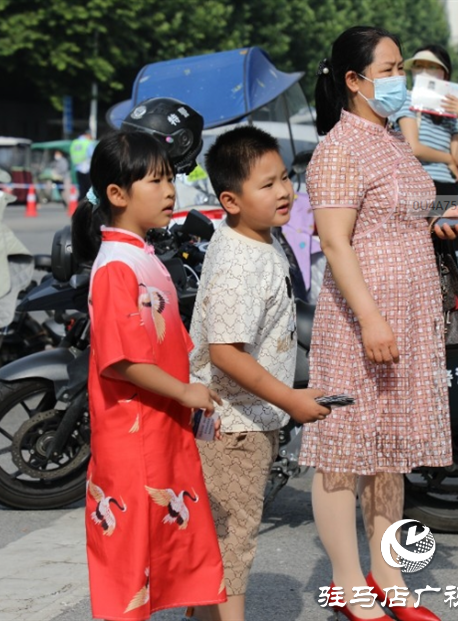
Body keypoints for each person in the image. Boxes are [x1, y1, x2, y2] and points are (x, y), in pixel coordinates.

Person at [300, 26, 458, 621]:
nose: (403, 80)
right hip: (359, 321)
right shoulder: (339, 147)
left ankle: (388, 578)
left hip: (410, 319)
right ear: (354, 80)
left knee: (390, 452)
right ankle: (349, 587)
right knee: (343, 451)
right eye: (392, 69)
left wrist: (437, 222)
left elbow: (393, 219)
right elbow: (337, 243)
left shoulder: (394, 139)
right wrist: (371, 318)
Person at [73, 131, 227, 621]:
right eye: (155, 181)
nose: (169, 191)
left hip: (162, 431)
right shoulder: (117, 266)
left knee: (178, 546)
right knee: (130, 564)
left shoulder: (139, 254)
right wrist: (185, 390)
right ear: (117, 194)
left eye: (171, 179)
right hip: (136, 438)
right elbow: (121, 360)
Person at [187, 125, 330, 621]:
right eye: (267, 185)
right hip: (234, 427)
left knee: (222, 535)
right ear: (230, 199)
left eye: (285, 177)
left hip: (242, 420)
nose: (285, 190)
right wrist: (290, 400)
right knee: (234, 539)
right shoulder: (241, 261)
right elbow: (226, 353)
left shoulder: (253, 241)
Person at [393, 45, 458, 203]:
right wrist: (448, 159)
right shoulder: (408, 99)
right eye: (418, 66)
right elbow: (413, 147)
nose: (423, 71)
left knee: (446, 228)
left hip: (448, 188)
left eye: (431, 66)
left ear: (444, 73)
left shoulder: (450, 112)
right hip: (416, 185)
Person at [70, 129, 96, 198]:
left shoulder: (74, 143)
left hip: (77, 168)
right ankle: (88, 206)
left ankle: (82, 205)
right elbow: (93, 155)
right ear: (87, 135)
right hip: (87, 169)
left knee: (81, 189)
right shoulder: (87, 143)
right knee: (89, 190)